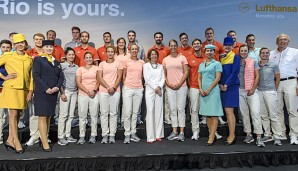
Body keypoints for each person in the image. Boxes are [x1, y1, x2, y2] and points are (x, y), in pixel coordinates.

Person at [0, 34, 33, 153]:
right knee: (13, 115)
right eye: (17, 43)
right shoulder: (8, 56)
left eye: (22, 42)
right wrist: (4, 77)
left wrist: (30, 91)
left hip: (23, 90)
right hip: (12, 89)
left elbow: (30, 77)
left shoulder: (29, 59)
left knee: (18, 114)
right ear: (14, 45)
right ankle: (17, 142)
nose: (20, 45)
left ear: (25, 44)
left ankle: (9, 139)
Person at [33, 40, 64, 152]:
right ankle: (45, 142)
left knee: (48, 117)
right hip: (42, 92)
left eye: (51, 47)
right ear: (43, 48)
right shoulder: (38, 59)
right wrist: (46, 88)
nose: (49, 48)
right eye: (47, 46)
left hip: (53, 92)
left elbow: (61, 77)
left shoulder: (56, 62)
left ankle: (44, 138)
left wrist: (57, 87)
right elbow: (36, 76)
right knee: (42, 116)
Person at [269, 33, 298, 145]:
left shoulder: (295, 52)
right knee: (277, 110)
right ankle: (281, 133)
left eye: (285, 39)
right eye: (280, 40)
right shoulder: (272, 54)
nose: (282, 41)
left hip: (291, 82)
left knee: (292, 110)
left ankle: (294, 135)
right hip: (276, 83)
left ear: (288, 41)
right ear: (277, 41)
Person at [238, 44, 265, 147]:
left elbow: (257, 76)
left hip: (252, 91)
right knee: (244, 114)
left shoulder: (253, 61)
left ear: (247, 52)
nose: (243, 52)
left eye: (245, 51)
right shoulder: (237, 63)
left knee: (255, 113)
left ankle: (258, 137)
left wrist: (253, 89)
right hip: (240, 91)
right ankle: (248, 134)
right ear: (239, 52)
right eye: (242, 51)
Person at [163, 39, 189, 142]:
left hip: (181, 87)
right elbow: (164, 74)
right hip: (170, 88)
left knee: (181, 109)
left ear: (177, 46)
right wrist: (168, 84)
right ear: (169, 47)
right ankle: (174, 132)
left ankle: (181, 132)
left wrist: (179, 84)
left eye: (174, 45)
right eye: (171, 45)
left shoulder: (182, 58)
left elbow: (186, 72)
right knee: (173, 110)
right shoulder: (165, 59)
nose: (173, 47)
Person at [198, 44, 223, 146]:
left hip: (213, 91)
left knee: (214, 114)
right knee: (207, 113)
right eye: (207, 51)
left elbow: (218, 78)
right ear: (205, 52)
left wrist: (208, 89)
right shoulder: (201, 64)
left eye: (211, 51)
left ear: (214, 52)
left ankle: (212, 136)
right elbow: (199, 77)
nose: (209, 52)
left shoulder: (217, 63)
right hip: (203, 91)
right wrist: (200, 88)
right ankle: (211, 134)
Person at [98, 46, 123, 144]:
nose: (110, 53)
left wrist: (113, 87)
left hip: (115, 90)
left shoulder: (118, 63)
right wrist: (108, 87)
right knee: (104, 113)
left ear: (114, 53)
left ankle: (112, 134)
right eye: (108, 52)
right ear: (106, 53)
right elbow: (99, 77)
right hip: (104, 91)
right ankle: (105, 134)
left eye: (112, 52)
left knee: (113, 113)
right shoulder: (101, 64)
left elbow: (119, 77)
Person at [258, 47, 282, 146]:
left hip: (270, 92)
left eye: (267, 53)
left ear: (269, 54)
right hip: (259, 92)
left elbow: (278, 78)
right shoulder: (257, 65)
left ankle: (277, 136)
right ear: (260, 54)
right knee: (264, 115)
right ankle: (267, 134)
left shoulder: (273, 65)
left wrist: (274, 90)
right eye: (263, 53)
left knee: (274, 115)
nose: (265, 54)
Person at [25, 33, 46, 146]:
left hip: (44, 87)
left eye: (40, 39)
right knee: (33, 114)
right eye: (36, 39)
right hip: (33, 86)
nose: (38, 41)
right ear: (33, 41)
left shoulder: (47, 52)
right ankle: (34, 136)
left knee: (44, 114)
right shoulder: (28, 53)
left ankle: (44, 136)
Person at [219, 37, 240, 145]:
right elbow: (219, 73)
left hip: (231, 87)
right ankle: (231, 134)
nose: (227, 46)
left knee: (229, 112)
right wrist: (220, 85)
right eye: (226, 45)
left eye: (230, 45)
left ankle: (232, 135)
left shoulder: (236, 57)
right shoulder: (221, 57)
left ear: (233, 46)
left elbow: (235, 72)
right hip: (223, 87)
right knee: (227, 113)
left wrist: (226, 85)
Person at [122, 44, 145, 144]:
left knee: (135, 112)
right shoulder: (126, 61)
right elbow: (123, 76)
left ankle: (133, 133)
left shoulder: (142, 62)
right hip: (128, 88)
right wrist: (126, 85)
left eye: (136, 49)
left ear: (138, 50)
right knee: (128, 112)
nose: (134, 50)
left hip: (138, 89)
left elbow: (143, 76)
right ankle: (127, 134)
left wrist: (139, 85)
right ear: (129, 50)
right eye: (132, 49)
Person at [76, 52, 100, 145]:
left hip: (94, 94)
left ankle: (93, 135)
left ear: (92, 59)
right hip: (83, 95)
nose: (89, 59)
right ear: (84, 59)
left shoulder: (97, 68)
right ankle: (82, 136)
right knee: (82, 116)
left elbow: (98, 80)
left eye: (90, 57)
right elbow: (78, 82)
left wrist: (93, 90)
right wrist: (87, 91)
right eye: (87, 58)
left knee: (94, 116)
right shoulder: (80, 69)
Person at [147, 32, 171, 124]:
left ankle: (166, 117)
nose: (158, 38)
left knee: (165, 99)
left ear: (162, 38)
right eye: (156, 37)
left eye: (160, 37)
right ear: (154, 38)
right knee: (153, 100)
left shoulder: (167, 50)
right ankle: (153, 117)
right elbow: (148, 62)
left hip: (163, 77)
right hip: (153, 79)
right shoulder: (151, 49)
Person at [57, 47, 78, 145]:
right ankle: (61, 137)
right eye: (69, 54)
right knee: (63, 115)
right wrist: (62, 93)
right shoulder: (61, 66)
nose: (71, 56)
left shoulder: (76, 67)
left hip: (74, 92)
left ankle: (68, 135)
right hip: (65, 92)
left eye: (73, 54)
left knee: (71, 115)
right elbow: (59, 80)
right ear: (66, 56)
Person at [143, 49, 165, 143]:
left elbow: (163, 77)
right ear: (149, 56)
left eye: (155, 54)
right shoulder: (146, 66)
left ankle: (158, 134)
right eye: (152, 54)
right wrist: (155, 88)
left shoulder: (160, 66)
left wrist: (159, 86)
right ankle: (151, 137)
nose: (154, 56)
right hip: (150, 89)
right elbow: (146, 78)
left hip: (159, 90)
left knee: (159, 111)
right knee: (150, 110)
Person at [187, 38, 206, 140]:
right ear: (193, 46)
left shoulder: (207, 57)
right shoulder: (189, 58)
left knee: (208, 110)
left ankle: (213, 131)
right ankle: (195, 131)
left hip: (205, 88)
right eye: (194, 44)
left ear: (201, 45)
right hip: (194, 87)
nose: (196, 45)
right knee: (194, 110)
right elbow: (187, 74)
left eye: (198, 43)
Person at [0, 39, 12, 145]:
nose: (6, 49)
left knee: (11, 115)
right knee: (1, 116)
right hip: (1, 90)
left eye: (8, 47)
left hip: (10, 90)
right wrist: (4, 77)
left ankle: (11, 139)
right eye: (3, 47)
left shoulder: (13, 59)